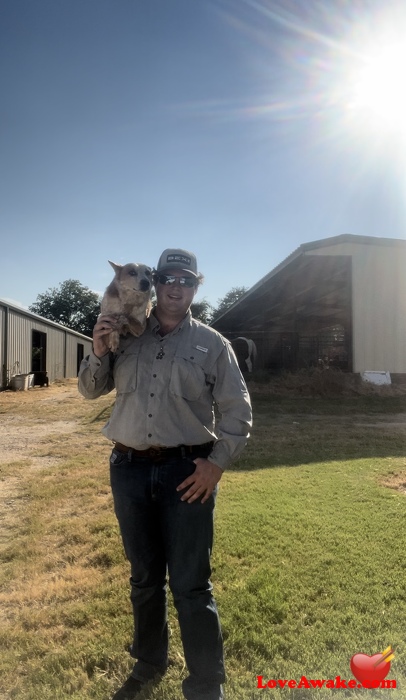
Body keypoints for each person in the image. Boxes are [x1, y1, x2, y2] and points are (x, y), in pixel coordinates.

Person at [78, 248, 252, 700]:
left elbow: (237, 411)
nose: (176, 286)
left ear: (197, 286)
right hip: (129, 470)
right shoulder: (125, 331)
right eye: (168, 278)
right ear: (154, 282)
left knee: (192, 582)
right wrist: (97, 351)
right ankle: (149, 661)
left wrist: (216, 464)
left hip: (186, 472)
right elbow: (89, 391)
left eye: (186, 279)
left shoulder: (213, 344)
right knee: (144, 577)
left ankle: (205, 683)